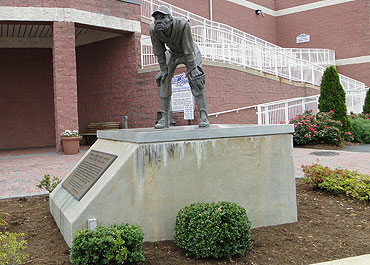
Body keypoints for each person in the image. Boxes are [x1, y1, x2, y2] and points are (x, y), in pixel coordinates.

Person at [150, 5, 210, 129]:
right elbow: (159, 50)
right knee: (163, 79)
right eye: (156, 18)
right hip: (173, 53)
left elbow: (188, 47)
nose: (159, 21)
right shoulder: (153, 29)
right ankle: (164, 117)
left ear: (170, 18)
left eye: (163, 17)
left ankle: (204, 114)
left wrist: (193, 68)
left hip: (190, 52)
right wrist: (163, 69)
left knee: (196, 79)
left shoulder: (183, 24)